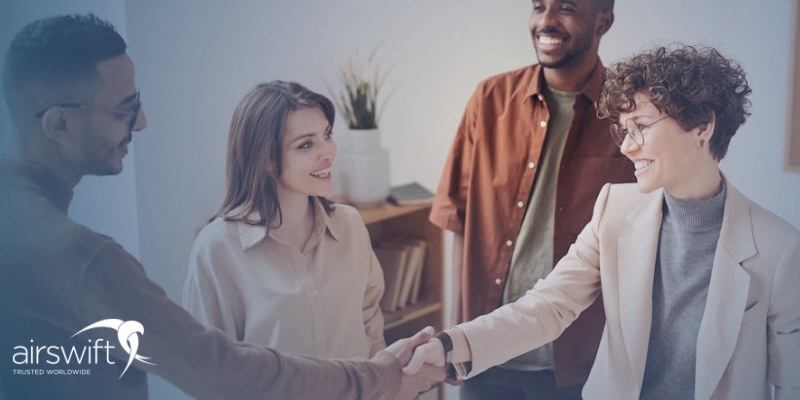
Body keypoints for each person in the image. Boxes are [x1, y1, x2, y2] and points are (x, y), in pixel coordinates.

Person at [0, 13, 444, 400]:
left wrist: (378, 372)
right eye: (124, 108)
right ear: (58, 123)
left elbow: (368, 317)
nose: (142, 122)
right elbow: (219, 372)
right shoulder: (85, 256)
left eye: (325, 135)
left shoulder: (21, 228)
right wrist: (378, 379)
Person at [406, 44, 800, 400]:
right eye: (623, 131)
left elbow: (792, 381)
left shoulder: (778, 247)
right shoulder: (615, 207)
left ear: (702, 126)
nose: (627, 147)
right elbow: (548, 306)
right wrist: (449, 344)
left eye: (641, 127)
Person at [428, 0, 634, 398]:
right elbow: (459, 220)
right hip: (484, 352)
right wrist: (456, 332)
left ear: (602, 22)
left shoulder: (625, 113)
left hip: (579, 362)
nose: (546, 21)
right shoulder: (489, 99)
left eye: (566, 8)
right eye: (539, 6)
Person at [183, 81, 387, 360]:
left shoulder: (349, 225)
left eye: (327, 135)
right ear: (266, 158)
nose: (327, 152)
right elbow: (207, 367)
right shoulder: (217, 249)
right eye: (306, 144)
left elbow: (371, 328)